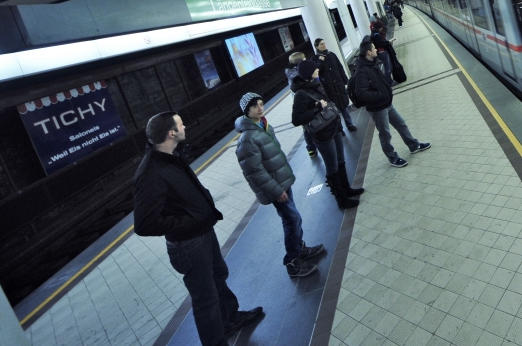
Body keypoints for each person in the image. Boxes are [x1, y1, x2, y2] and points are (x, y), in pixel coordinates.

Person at [134, 112, 264, 346]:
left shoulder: (171, 157)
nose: (186, 125)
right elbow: (144, 224)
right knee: (206, 300)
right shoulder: (150, 173)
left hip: (203, 233)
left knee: (218, 277)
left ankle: (231, 319)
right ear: (171, 133)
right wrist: (188, 222)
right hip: (188, 245)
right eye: (181, 123)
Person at [235, 93, 324, 278]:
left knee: (293, 219)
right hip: (276, 188)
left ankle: (299, 249)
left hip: (281, 181)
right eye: (254, 106)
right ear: (246, 110)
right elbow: (254, 172)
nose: (260, 108)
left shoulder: (265, 126)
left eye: (261, 104)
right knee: (292, 220)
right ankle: (293, 261)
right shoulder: (247, 139)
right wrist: (276, 191)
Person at [291, 59, 363, 209]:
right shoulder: (300, 94)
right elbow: (296, 119)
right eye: (315, 69)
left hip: (334, 126)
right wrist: (316, 108)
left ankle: (347, 189)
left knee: (341, 160)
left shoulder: (316, 83)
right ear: (308, 73)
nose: (318, 70)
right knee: (332, 167)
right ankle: (341, 199)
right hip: (322, 135)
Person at [353, 40, 430, 168]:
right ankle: (392, 157)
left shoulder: (372, 63)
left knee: (401, 124)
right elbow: (361, 93)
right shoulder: (362, 70)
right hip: (378, 109)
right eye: (374, 48)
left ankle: (413, 145)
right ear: (368, 52)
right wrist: (380, 95)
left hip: (387, 104)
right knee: (385, 134)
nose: (376, 49)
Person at [311, 38, 357, 132]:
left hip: (338, 85)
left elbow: (340, 67)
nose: (324, 45)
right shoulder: (314, 59)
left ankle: (350, 124)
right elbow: (316, 73)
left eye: (324, 43)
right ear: (316, 47)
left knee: (344, 106)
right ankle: (339, 129)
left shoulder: (332, 55)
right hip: (328, 88)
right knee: (333, 109)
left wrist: (345, 80)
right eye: (321, 44)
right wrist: (320, 61)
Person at [286, 51, 320, 155]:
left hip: (302, 99)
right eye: (304, 58)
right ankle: (312, 146)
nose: (306, 59)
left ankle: (311, 148)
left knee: (306, 126)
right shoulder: (300, 73)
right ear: (300, 62)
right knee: (307, 125)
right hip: (304, 99)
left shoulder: (290, 71)